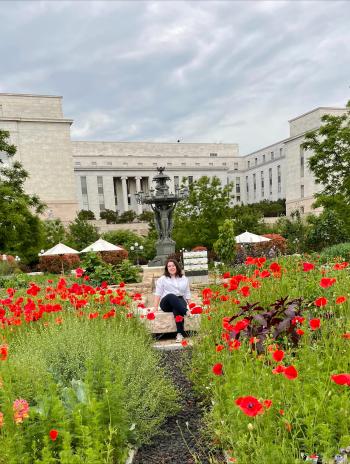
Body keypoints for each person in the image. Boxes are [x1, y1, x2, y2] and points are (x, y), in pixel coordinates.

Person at [154, 258, 191, 343]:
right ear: (167, 268)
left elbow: (187, 293)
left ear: (177, 266)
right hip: (166, 302)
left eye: (173, 265)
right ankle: (186, 311)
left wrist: (191, 305)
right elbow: (158, 293)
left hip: (179, 301)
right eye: (169, 266)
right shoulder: (162, 279)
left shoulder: (184, 278)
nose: (171, 267)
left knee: (177, 308)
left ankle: (180, 334)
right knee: (171, 296)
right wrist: (155, 307)